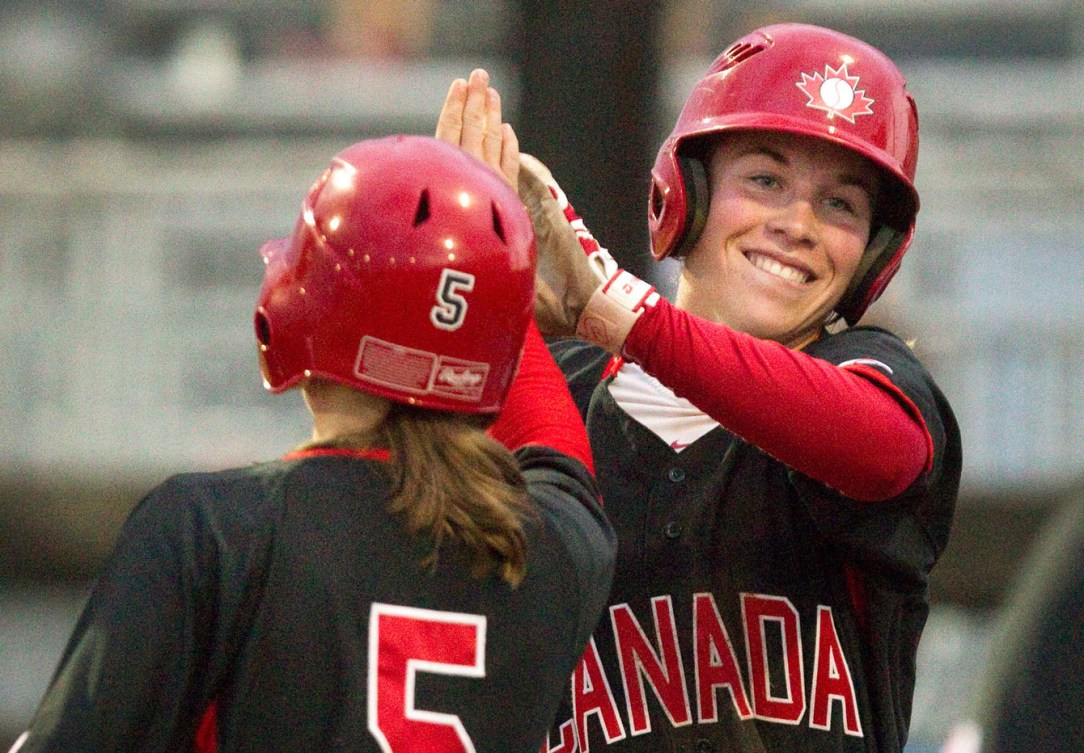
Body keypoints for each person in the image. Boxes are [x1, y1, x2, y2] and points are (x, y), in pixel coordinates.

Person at [438, 22, 961, 753]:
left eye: (841, 204)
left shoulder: (869, 374)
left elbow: (881, 452)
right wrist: (494, 287)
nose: (798, 224)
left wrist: (619, 309)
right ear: (684, 193)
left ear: (873, 252)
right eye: (765, 180)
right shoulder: (554, 391)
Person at [8, 135, 616, 753]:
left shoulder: (210, 530)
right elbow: (555, 453)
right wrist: (487, 266)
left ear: (311, 307)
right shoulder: (561, 548)